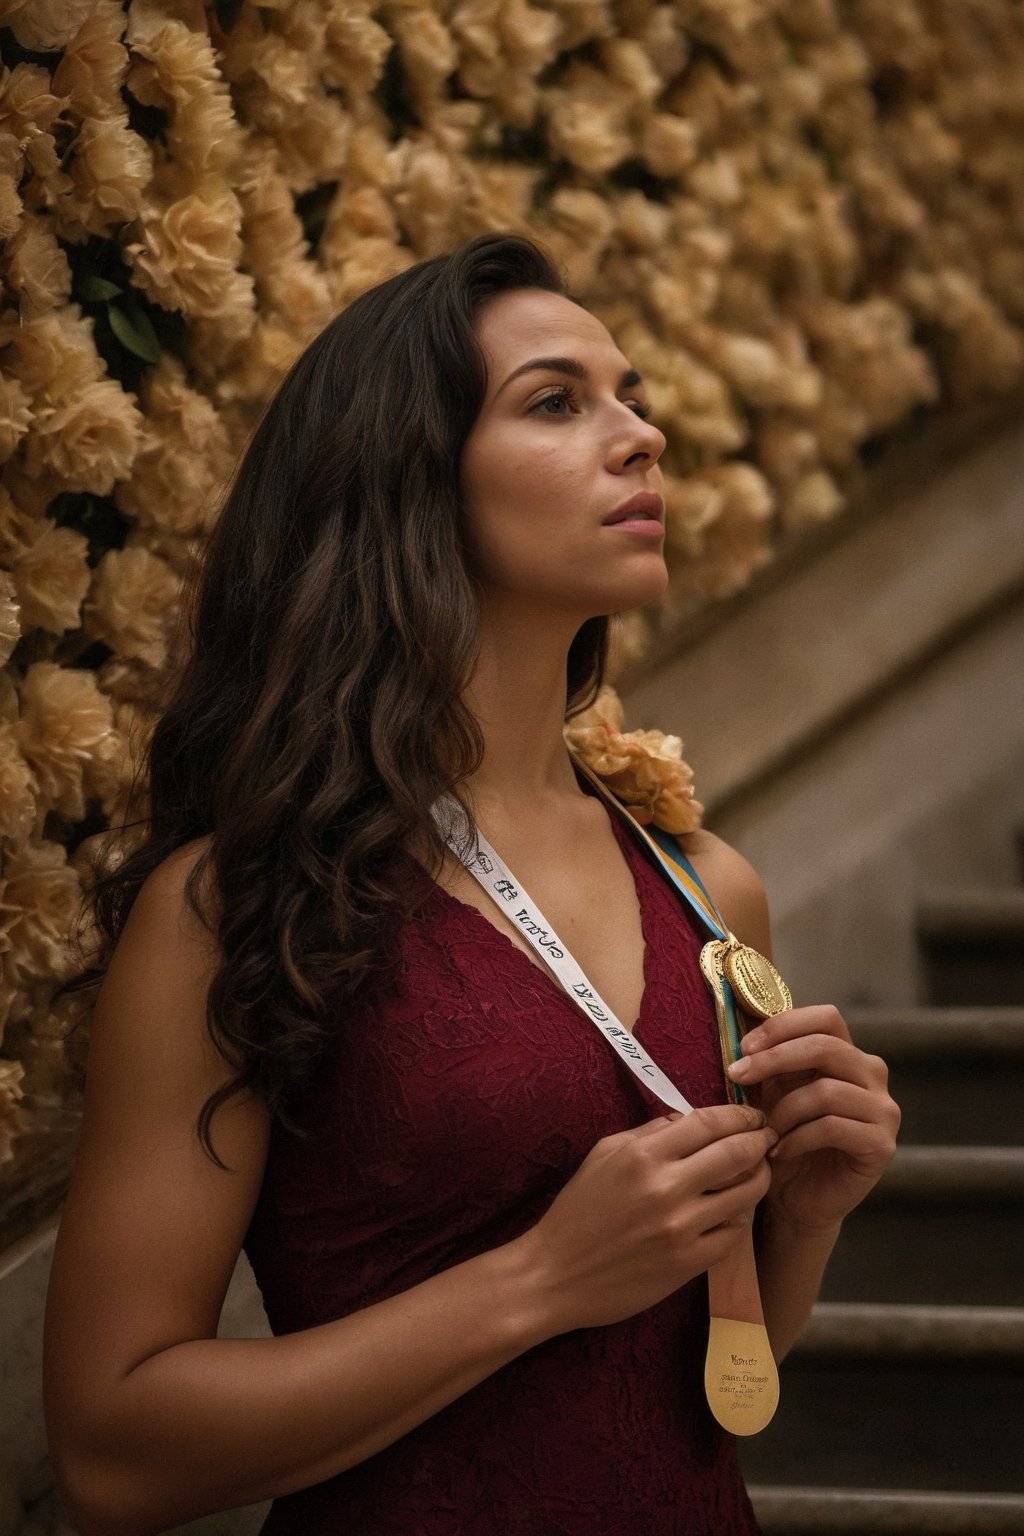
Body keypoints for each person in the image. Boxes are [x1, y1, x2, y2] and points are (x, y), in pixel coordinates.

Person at [43, 233, 899, 1536]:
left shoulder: (709, 892)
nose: (640, 437)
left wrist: (806, 1221)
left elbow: (708, 1379)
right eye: (558, 403)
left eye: (635, 397)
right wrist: (542, 1278)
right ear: (404, 484)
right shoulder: (241, 906)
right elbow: (112, 1447)